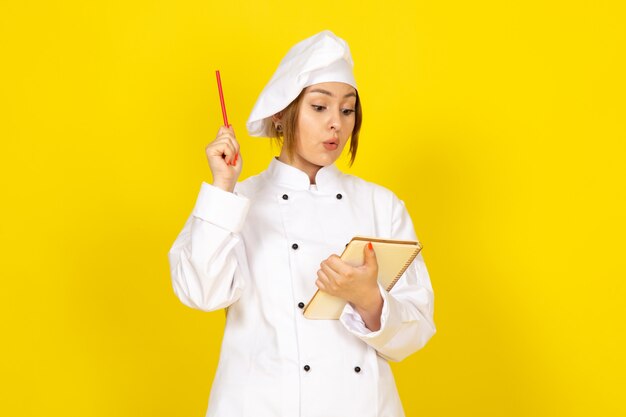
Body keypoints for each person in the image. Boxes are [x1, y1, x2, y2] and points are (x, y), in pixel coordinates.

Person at [168, 30, 435, 417]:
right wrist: (222, 188)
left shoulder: (382, 205)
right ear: (281, 114)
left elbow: (416, 329)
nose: (336, 125)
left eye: (347, 110)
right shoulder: (236, 202)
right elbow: (200, 292)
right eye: (319, 107)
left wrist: (369, 300)